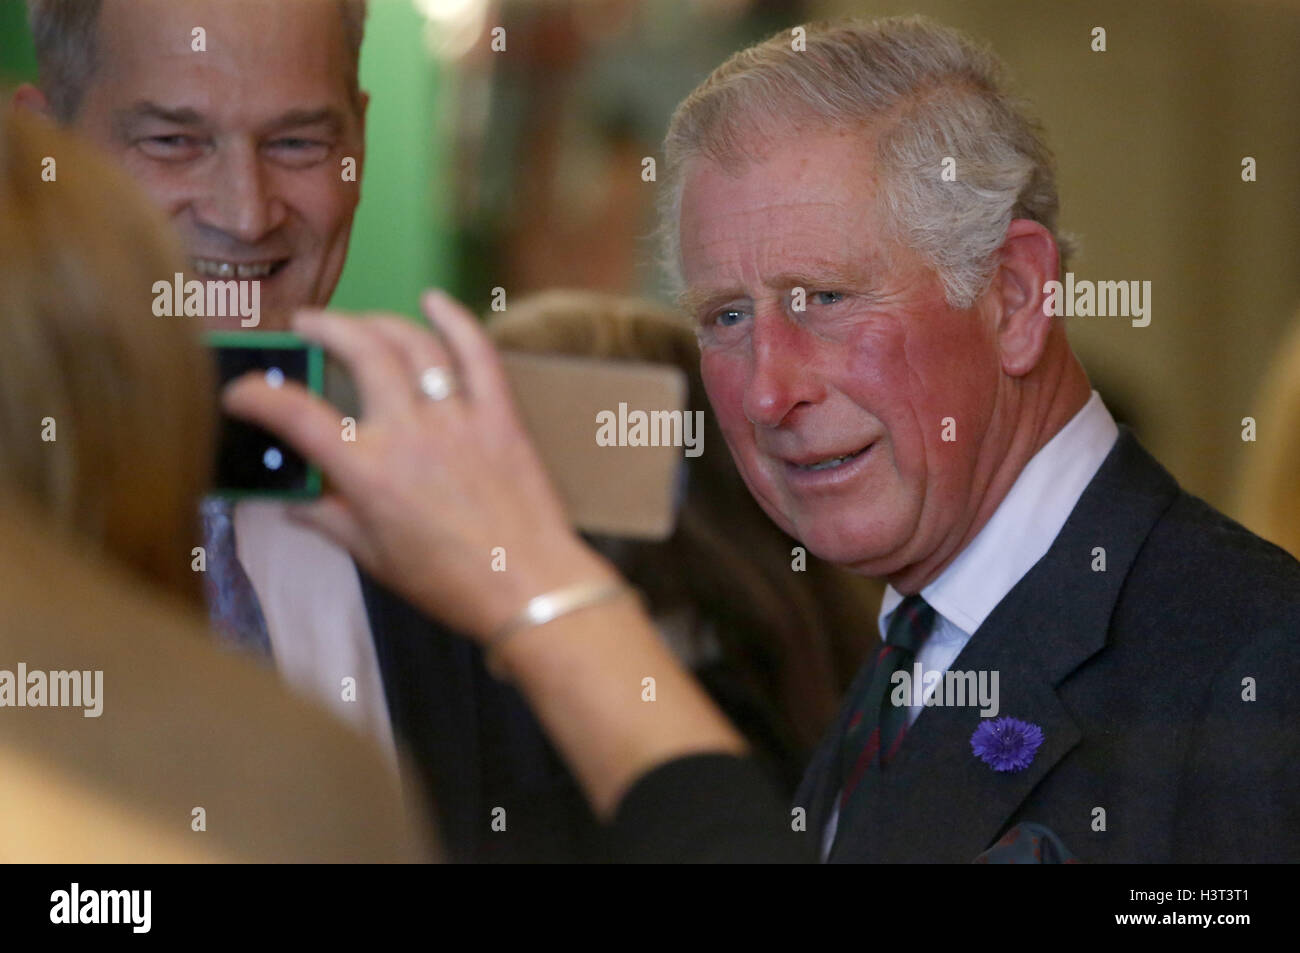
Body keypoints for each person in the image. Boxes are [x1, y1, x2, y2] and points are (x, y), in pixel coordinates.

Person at [226, 16, 1300, 863]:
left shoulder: (1255, 666)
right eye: (726, 318)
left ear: (1014, 296)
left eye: (823, 297)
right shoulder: (902, 653)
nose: (766, 390)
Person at [0, 109, 428, 862]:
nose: (244, 211)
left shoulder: (443, 562)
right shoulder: (292, 773)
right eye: (169, 139)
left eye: (298, 141)